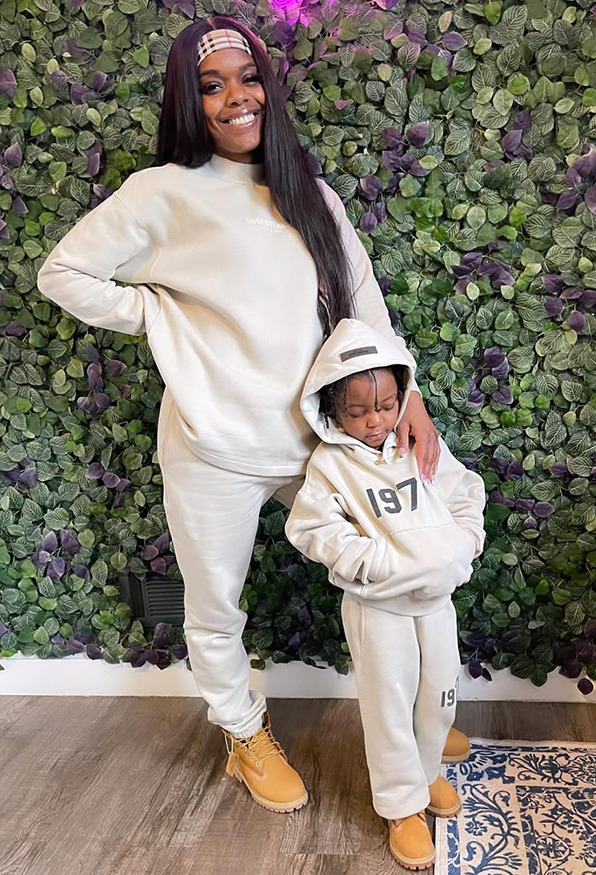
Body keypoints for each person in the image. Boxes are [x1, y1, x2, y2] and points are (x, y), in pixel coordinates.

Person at [36, 15, 471, 814]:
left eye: (247, 78)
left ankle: (417, 715)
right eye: (211, 85)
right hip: (214, 447)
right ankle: (242, 732)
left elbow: (362, 300)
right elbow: (61, 272)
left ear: (269, 86)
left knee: (391, 572)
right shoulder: (161, 193)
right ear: (188, 100)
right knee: (215, 604)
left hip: (322, 442)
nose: (235, 97)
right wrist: (163, 315)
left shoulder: (306, 186)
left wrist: (409, 396)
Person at [285, 319, 486, 869]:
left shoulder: (414, 444)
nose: (375, 421)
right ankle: (401, 807)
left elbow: (466, 490)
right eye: (358, 411)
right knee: (390, 709)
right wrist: (371, 563)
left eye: (387, 404)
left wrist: (463, 544)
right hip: (379, 609)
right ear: (331, 409)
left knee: (440, 696)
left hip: (436, 602)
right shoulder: (330, 465)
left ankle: (425, 777)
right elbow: (310, 529)